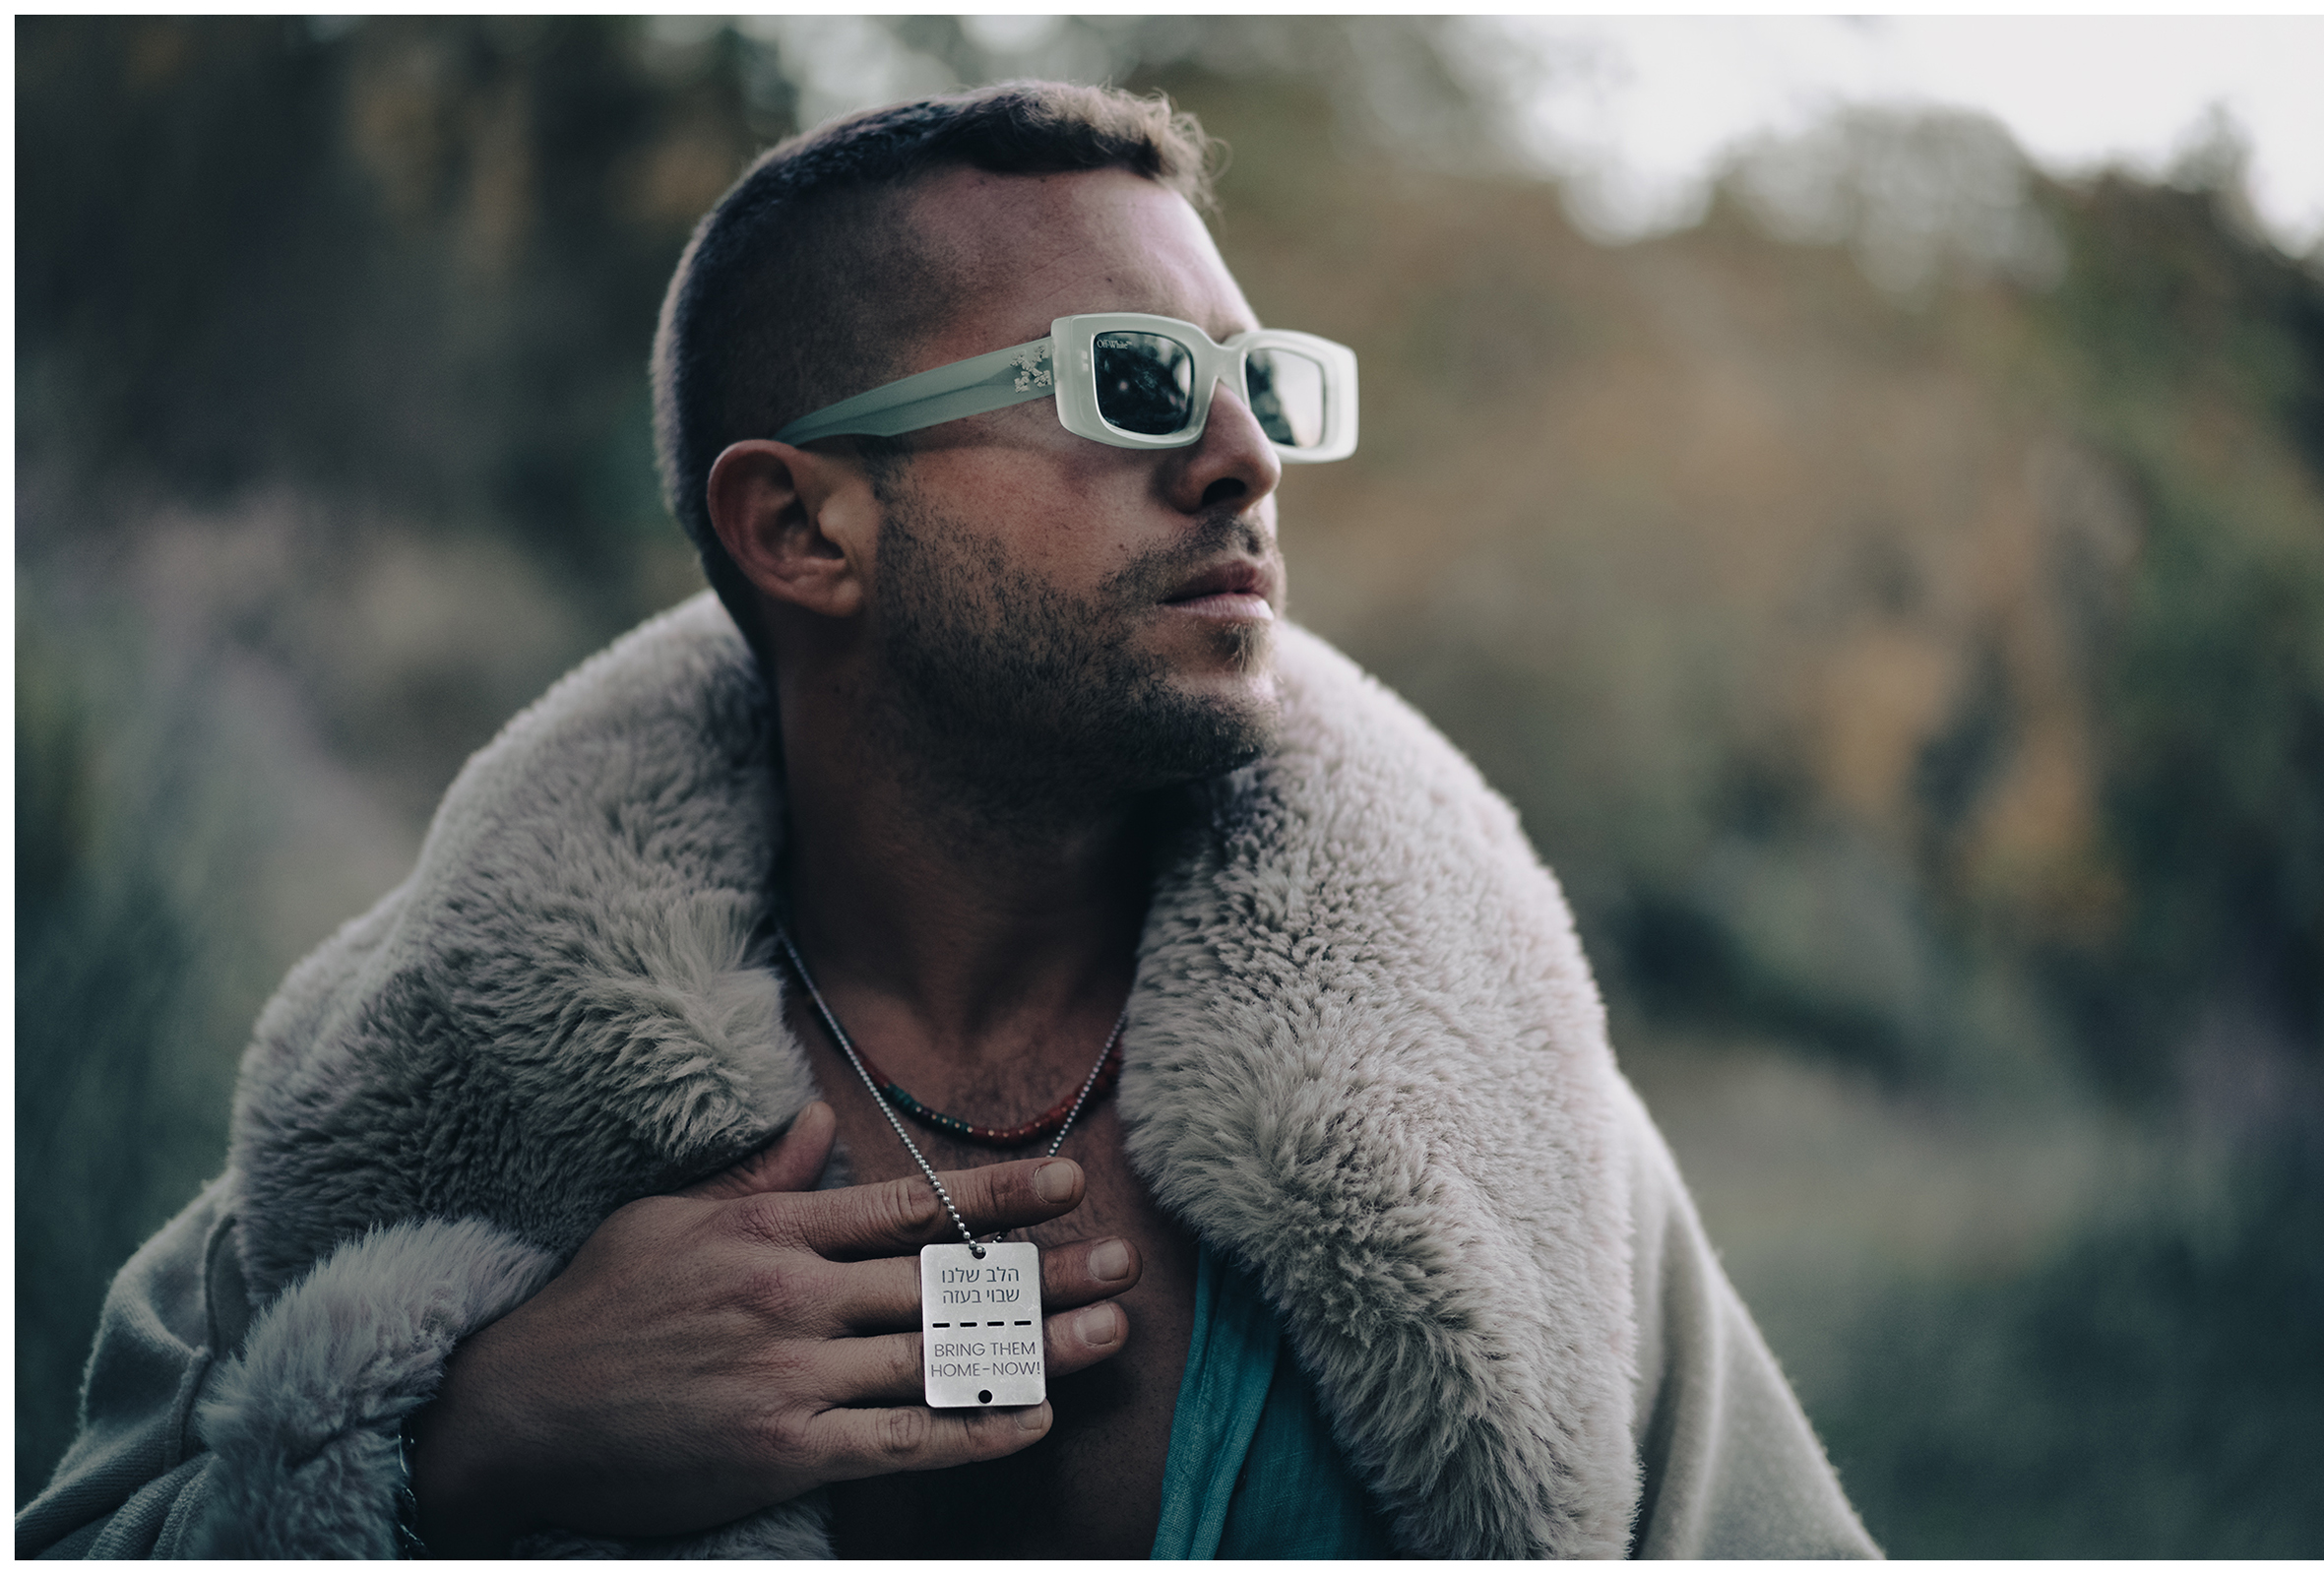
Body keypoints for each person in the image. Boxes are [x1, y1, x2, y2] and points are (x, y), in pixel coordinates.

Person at [17, 82, 1879, 1560]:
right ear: (803, 529)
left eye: (1259, 385)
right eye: (1133, 383)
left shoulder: (1484, 1100)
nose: (1242, 458)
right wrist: (463, 1448)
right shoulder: (427, 1110)